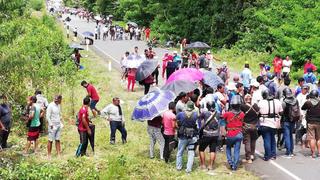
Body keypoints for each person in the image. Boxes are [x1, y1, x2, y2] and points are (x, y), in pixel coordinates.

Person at [258, 89, 283, 161]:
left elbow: (257, 112)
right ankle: (273, 155)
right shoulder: (277, 102)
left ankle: (267, 156)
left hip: (264, 123)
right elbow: (281, 112)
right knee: (273, 139)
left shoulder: (261, 102)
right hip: (274, 123)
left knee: (266, 139)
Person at [221, 96, 244, 171]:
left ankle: (230, 162)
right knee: (237, 150)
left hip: (230, 134)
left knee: (228, 148)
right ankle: (235, 166)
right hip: (239, 133)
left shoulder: (227, 113)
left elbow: (221, 118)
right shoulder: (242, 114)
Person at [176, 101, 198, 173]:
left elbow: (175, 121)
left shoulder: (180, 114)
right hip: (192, 136)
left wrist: (178, 127)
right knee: (191, 153)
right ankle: (188, 169)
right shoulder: (195, 114)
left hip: (183, 136)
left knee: (180, 152)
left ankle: (179, 167)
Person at [198, 100, 219, 172]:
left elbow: (199, 118)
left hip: (206, 134)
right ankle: (210, 166)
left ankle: (203, 165)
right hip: (215, 134)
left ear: (207, 106)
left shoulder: (204, 113)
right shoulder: (218, 113)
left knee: (201, 149)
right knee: (213, 150)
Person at [281, 88, 300, 158]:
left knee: (287, 136)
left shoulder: (284, 102)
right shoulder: (295, 100)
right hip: (294, 120)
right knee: (291, 136)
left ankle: (288, 153)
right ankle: (291, 151)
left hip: (286, 120)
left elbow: (281, 112)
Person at [241, 94, 259, 163]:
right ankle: (252, 155)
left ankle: (248, 158)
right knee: (253, 141)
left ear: (245, 99)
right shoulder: (255, 106)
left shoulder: (243, 106)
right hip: (254, 126)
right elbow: (259, 114)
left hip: (246, 126)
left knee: (247, 142)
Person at [301, 90, 320, 158]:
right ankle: (319, 152)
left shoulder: (308, 102)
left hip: (310, 123)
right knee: (318, 138)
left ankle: (313, 154)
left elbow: (302, 108)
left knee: (312, 138)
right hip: (319, 122)